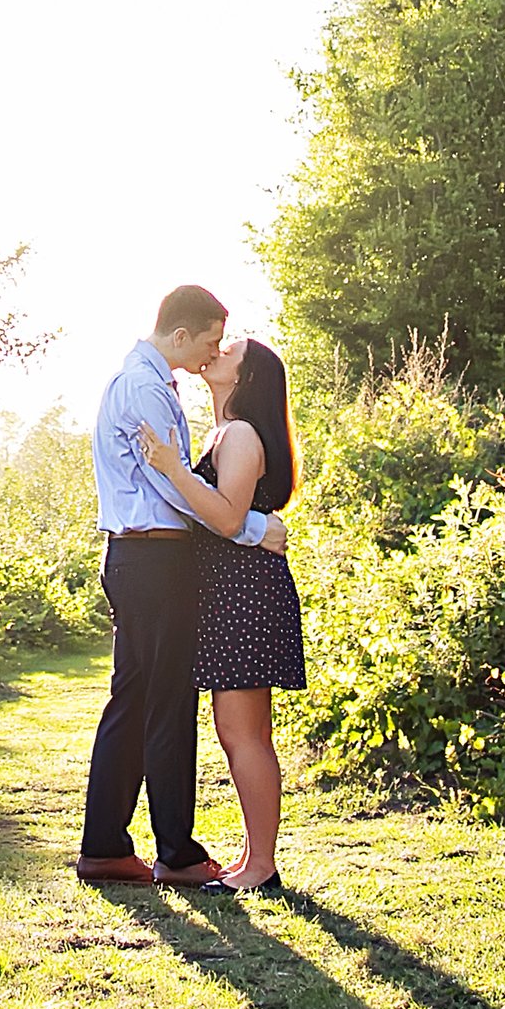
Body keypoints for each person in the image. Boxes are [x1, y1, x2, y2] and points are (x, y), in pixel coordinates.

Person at [78, 282, 288, 889]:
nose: (210, 353)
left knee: (137, 701)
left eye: (222, 347)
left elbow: (177, 478)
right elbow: (172, 485)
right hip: (151, 560)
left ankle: (106, 847)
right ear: (180, 335)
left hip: (145, 557)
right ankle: (176, 853)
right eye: (209, 341)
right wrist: (251, 527)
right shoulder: (144, 386)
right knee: (166, 705)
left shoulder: (149, 381)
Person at [139, 329, 307, 896]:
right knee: (246, 732)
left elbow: (230, 519)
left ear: (246, 376)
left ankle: (261, 866)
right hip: (238, 592)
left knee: (243, 735)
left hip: (244, 596)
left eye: (229, 350)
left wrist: (173, 469)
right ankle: (255, 857)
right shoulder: (227, 433)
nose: (217, 352)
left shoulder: (239, 434)